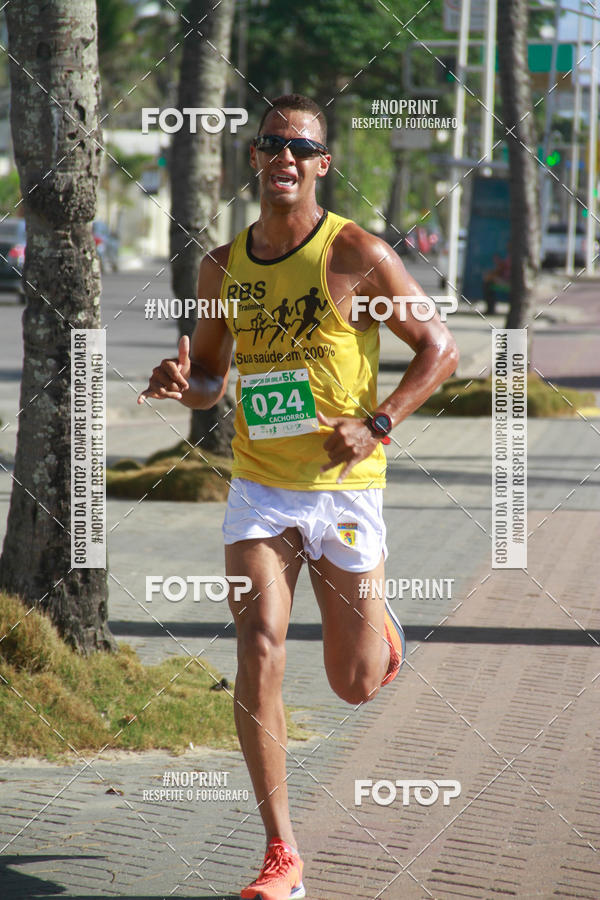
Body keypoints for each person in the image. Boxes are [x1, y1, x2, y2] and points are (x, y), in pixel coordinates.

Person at [138, 93, 459, 900]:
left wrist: (378, 423)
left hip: (346, 489)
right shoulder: (222, 265)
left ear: (323, 164)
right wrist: (185, 383)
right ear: (254, 159)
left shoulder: (354, 253)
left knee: (355, 680)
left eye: (300, 147)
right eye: (270, 143)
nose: (284, 157)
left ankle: (379, 631)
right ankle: (282, 852)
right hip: (260, 488)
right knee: (259, 647)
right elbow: (212, 378)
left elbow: (440, 349)